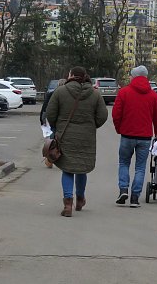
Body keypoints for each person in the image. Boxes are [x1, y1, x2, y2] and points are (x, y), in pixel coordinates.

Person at [46, 66, 108, 217]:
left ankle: (68, 203)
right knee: (82, 167)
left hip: (65, 136)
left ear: (71, 75)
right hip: (86, 137)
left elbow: (50, 113)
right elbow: (103, 116)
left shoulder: (60, 91)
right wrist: (91, 125)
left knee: (67, 168)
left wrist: (58, 127)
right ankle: (80, 199)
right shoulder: (95, 94)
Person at [112, 65, 157, 207]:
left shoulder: (124, 92)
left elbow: (116, 114)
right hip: (145, 137)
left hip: (127, 135)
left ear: (134, 77)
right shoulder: (152, 95)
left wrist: (119, 128)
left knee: (123, 163)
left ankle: (123, 189)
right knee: (140, 167)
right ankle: (135, 197)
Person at [40, 78, 67, 168]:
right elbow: (45, 107)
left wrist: (42, 119)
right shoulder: (68, 96)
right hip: (61, 121)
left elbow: (44, 108)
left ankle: (50, 159)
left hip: (53, 120)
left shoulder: (51, 94)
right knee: (59, 139)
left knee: (52, 138)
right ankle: (52, 158)